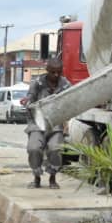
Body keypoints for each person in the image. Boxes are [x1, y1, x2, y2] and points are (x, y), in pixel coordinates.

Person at [23, 57, 72, 188]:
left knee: (55, 149)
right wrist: (27, 102)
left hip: (56, 124)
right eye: (53, 72)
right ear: (47, 70)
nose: (56, 75)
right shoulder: (37, 83)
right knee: (33, 148)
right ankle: (36, 177)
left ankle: (52, 177)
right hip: (37, 123)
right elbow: (30, 98)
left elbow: (71, 101)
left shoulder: (65, 84)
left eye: (58, 72)